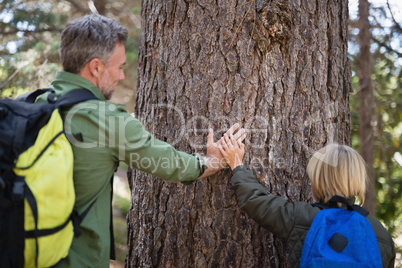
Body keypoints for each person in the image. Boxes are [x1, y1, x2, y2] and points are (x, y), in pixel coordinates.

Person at [34, 14, 244, 267]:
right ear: (96, 67)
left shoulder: (33, 102)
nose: (122, 76)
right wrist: (213, 160)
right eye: (119, 66)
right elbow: (171, 164)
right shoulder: (107, 120)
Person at [218, 134, 396, 267]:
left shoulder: (303, 218)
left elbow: (257, 201)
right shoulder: (380, 234)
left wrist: (237, 165)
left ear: (318, 181)